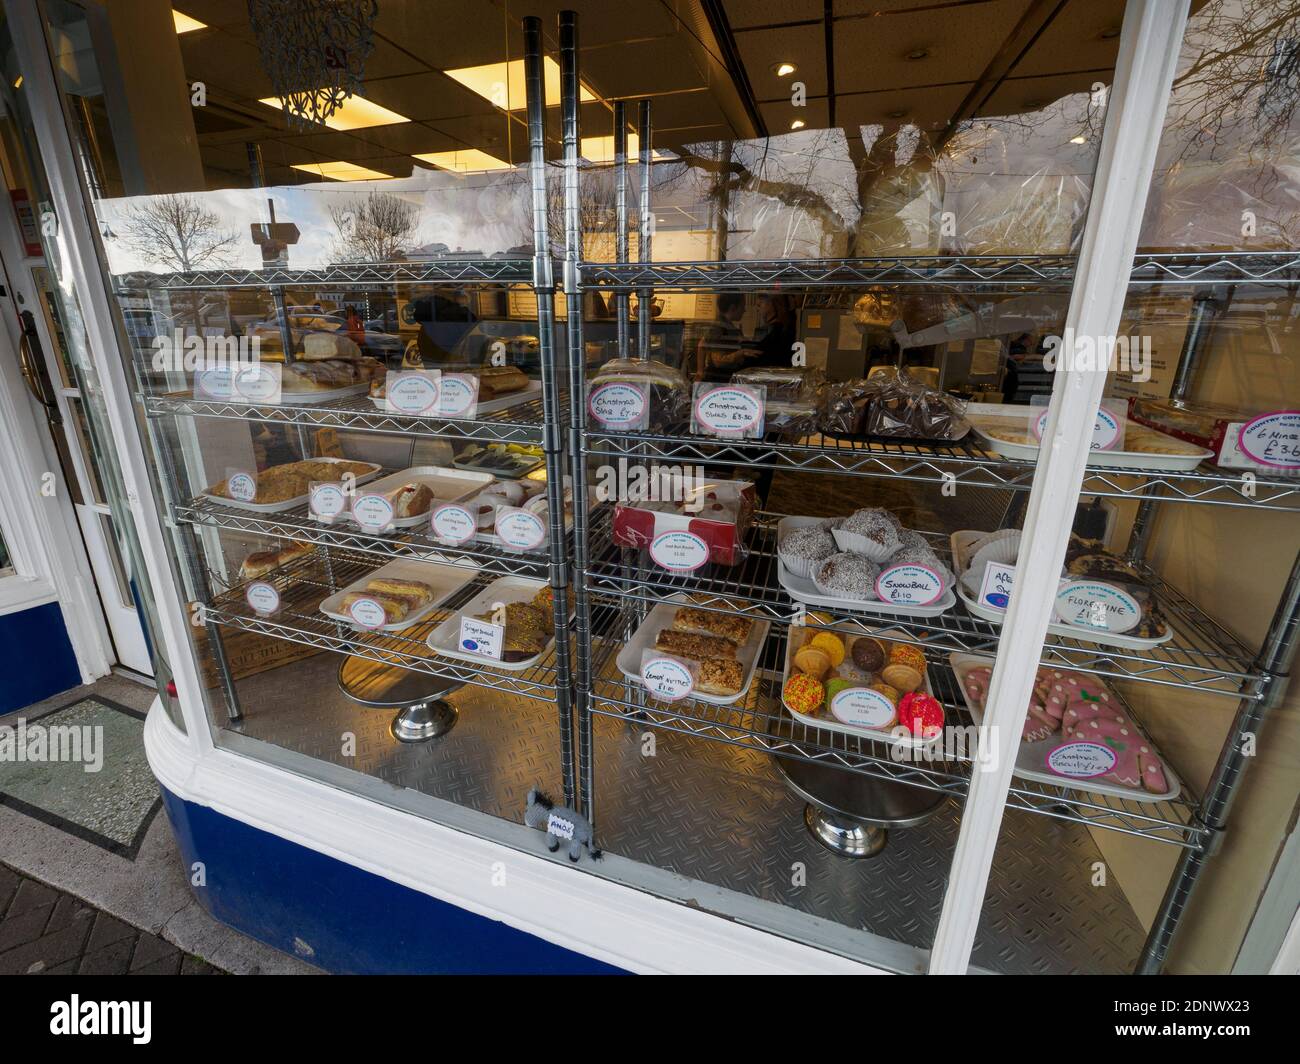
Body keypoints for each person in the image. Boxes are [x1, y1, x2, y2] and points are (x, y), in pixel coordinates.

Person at [694, 292, 747, 381]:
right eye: (742, 306)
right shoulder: (720, 327)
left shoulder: (726, 325)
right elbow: (718, 361)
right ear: (733, 308)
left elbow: (701, 344)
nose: (744, 310)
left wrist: (700, 371)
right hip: (718, 378)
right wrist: (741, 353)